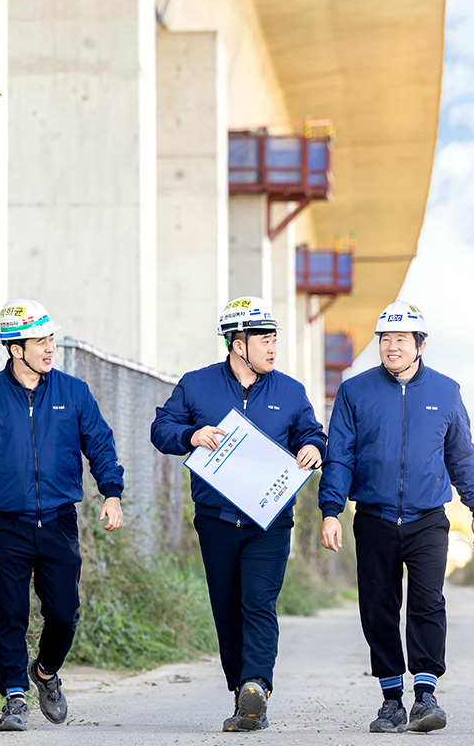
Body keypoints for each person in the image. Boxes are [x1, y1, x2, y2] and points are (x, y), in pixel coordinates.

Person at [150, 296, 326, 732]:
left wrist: (313, 447)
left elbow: (313, 432)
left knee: (258, 603)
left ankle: (257, 685)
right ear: (236, 343)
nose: (272, 347)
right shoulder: (196, 385)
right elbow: (161, 429)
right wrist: (192, 434)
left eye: (274, 338)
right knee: (226, 608)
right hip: (215, 518)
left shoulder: (290, 390)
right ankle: (242, 696)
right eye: (263, 339)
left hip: (271, 520)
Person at [318, 300, 474, 734]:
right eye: (385, 339)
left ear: (421, 344)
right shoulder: (354, 392)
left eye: (401, 339)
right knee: (378, 606)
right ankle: (392, 700)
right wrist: (331, 510)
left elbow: (461, 455)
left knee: (427, 601)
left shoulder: (446, 391)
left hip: (428, 517)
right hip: (373, 517)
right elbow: (338, 456)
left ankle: (426, 695)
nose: (392, 347)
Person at [0, 299, 125, 732]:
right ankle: (13, 697)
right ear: (16, 348)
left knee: (64, 612)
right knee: (10, 612)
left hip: (58, 518)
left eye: (52, 338)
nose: (50, 347)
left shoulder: (74, 392)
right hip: (6, 522)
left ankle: (44, 673)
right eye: (41, 341)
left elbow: (100, 445)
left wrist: (111, 493)